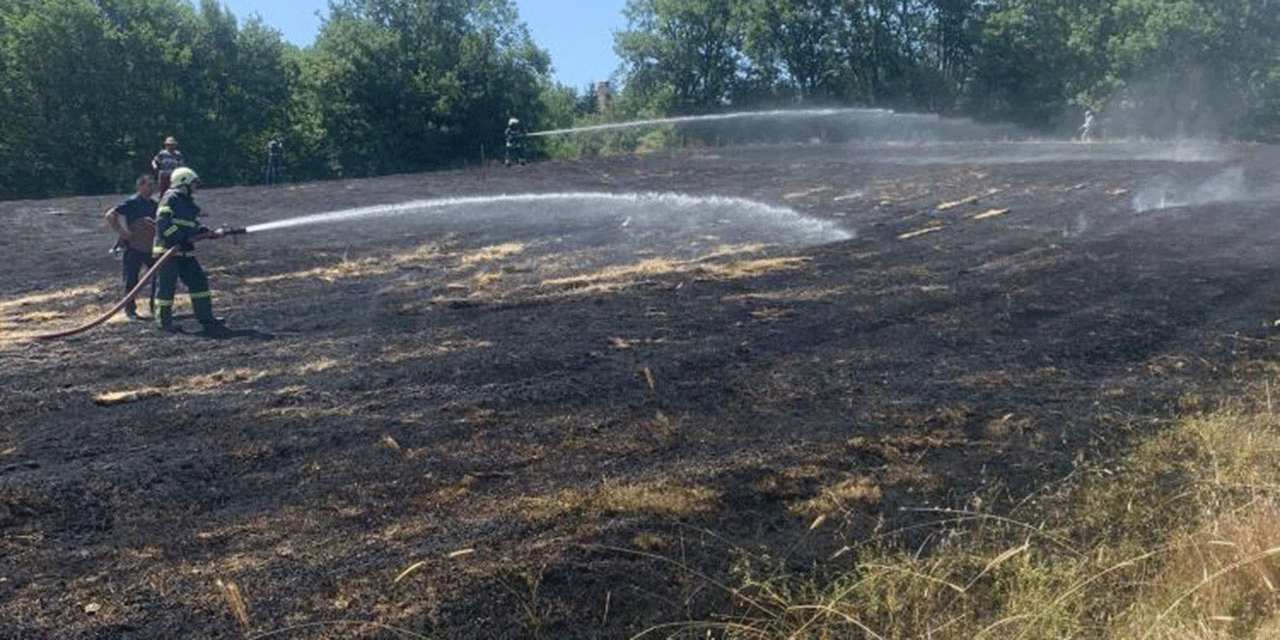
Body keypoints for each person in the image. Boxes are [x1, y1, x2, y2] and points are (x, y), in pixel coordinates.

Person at [152, 167, 228, 335]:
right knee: (166, 288)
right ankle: (164, 323)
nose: (196, 188)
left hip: (185, 251)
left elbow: (192, 227)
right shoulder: (169, 198)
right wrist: (179, 239)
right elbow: (163, 225)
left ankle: (206, 318)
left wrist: (207, 232)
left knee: (199, 282)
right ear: (183, 183)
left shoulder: (189, 203)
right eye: (193, 184)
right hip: (168, 252)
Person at [104, 175, 158, 320]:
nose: (151, 188)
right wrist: (122, 232)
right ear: (140, 187)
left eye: (153, 185)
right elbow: (110, 215)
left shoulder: (154, 205)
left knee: (158, 275)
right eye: (148, 185)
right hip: (134, 246)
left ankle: (156, 307)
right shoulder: (133, 202)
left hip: (150, 246)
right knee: (131, 279)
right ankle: (130, 310)